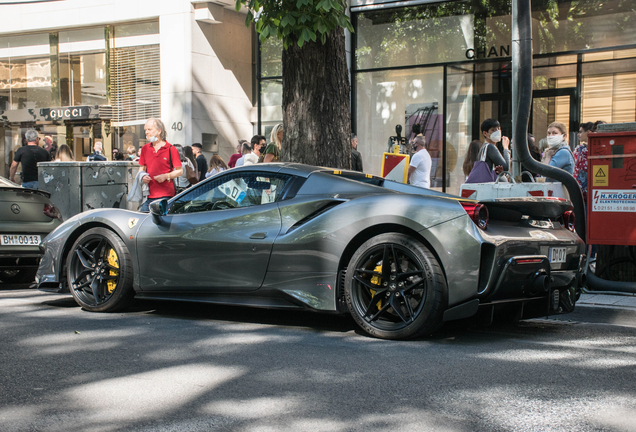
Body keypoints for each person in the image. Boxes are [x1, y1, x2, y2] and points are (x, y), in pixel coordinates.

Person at [138, 118, 182, 212]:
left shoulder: (171, 149)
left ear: (159, 131)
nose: (146, 132)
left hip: (167, 196)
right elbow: (141, 168)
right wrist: (142, 176)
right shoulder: (145, 149)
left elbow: (180, 171)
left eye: (149, 129)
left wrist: (166, 176)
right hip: (149, 196)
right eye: (145, 130)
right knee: (142, 218)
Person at [573, 122, 594, 201]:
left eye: (581, 132)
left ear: (588, 132)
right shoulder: (580, 149)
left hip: (592, 192)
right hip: (580, 192)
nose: (578, 134)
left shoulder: (598, 150)